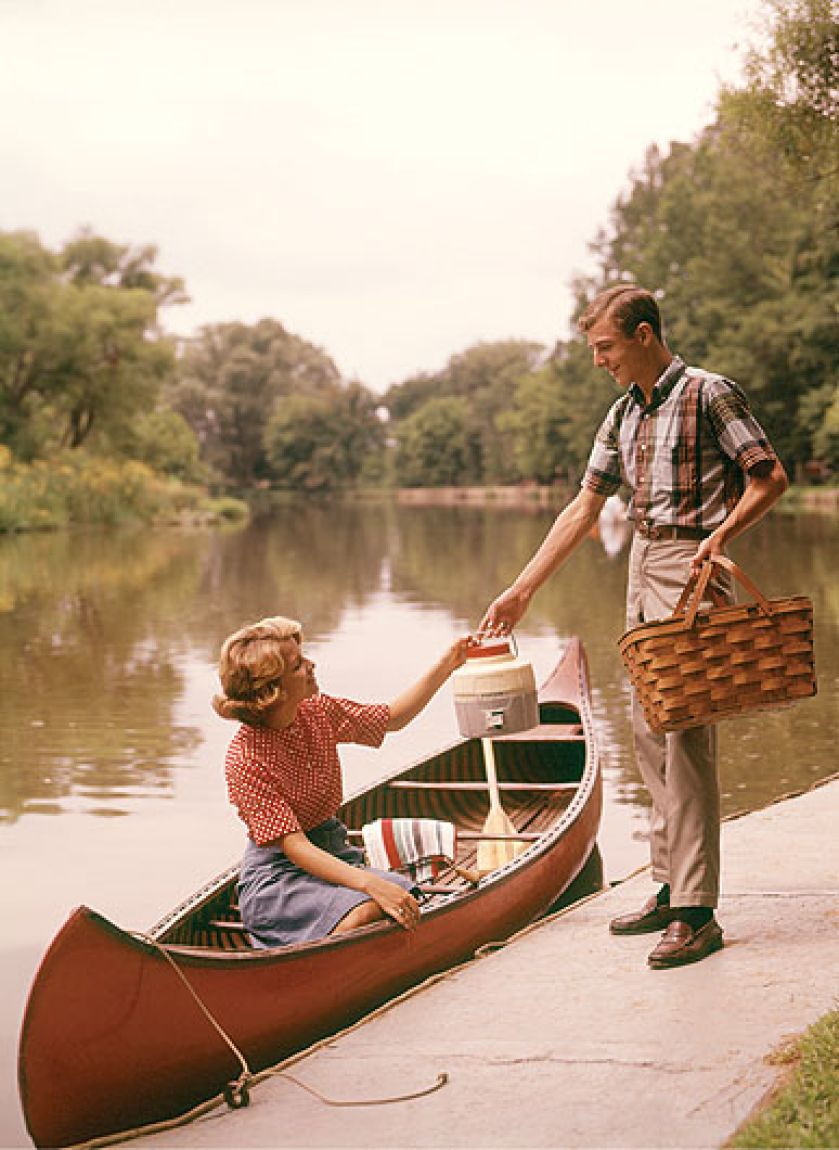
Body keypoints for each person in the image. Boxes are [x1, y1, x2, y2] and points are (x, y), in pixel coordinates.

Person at [481, 284, 788, 969]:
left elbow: (768, 478)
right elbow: (582, 510)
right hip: (641, 561)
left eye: (605, 347)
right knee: (647, 729)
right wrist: (522, 588)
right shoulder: (621, 414)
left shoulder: (711, 394)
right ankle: (666, 883)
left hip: (690, 561)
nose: (599, 361)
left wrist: (722, 534)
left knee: (684, 736)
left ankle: (696, 911)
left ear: (644, 335)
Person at [213, 615, 472, 947]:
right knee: (369, 909)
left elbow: (392, 718)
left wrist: (448, 663)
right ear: (271, 690)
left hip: (335, 855)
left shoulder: (316, 710)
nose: (311, 665)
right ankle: (294, 957)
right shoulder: (245, 759)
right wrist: (369, 883)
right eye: (297, 665)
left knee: (404, 897)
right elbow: (296, 848)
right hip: (280, 879)